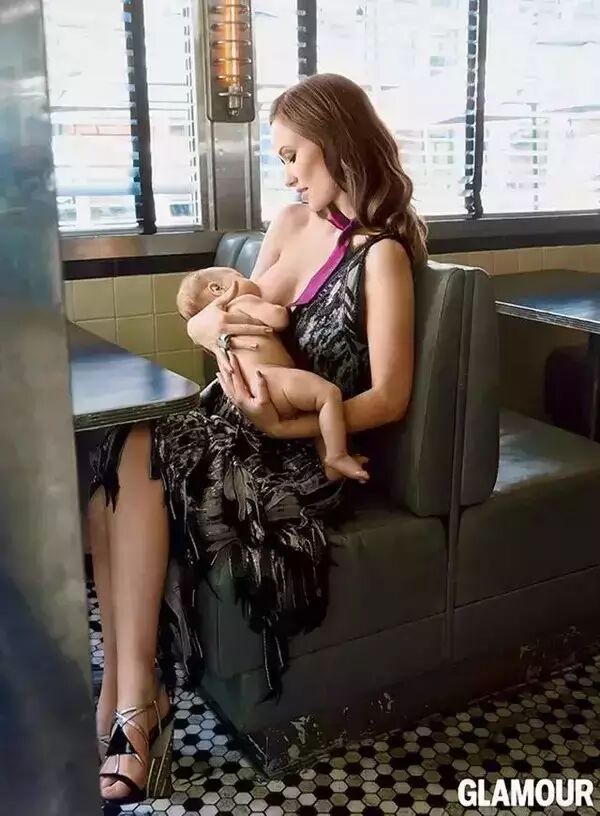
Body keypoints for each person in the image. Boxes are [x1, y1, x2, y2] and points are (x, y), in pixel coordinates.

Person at [89, 72, 426, 806]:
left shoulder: (381, 255)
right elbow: (219, 313)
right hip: (236, 422)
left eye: (293, 155)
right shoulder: (289, 224)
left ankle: (134, 707)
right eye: (280, 159)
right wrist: (210, 331)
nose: (289, 174)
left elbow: (390, 398)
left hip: (299, 449)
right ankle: (128, 689)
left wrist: (287, 423)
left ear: (336, 143)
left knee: (143, 455)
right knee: (120, 444)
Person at [176, 266, 370, 481]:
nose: (251, 279)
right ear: (217, 289)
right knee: (328, 395)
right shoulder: (242, 301)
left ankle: (331, 469)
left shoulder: (220, 331)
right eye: (240, 276)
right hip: (271, 379)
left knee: (317, 415)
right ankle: (337, 455)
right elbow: (279, 319)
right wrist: (280, 306)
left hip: (254, 391)